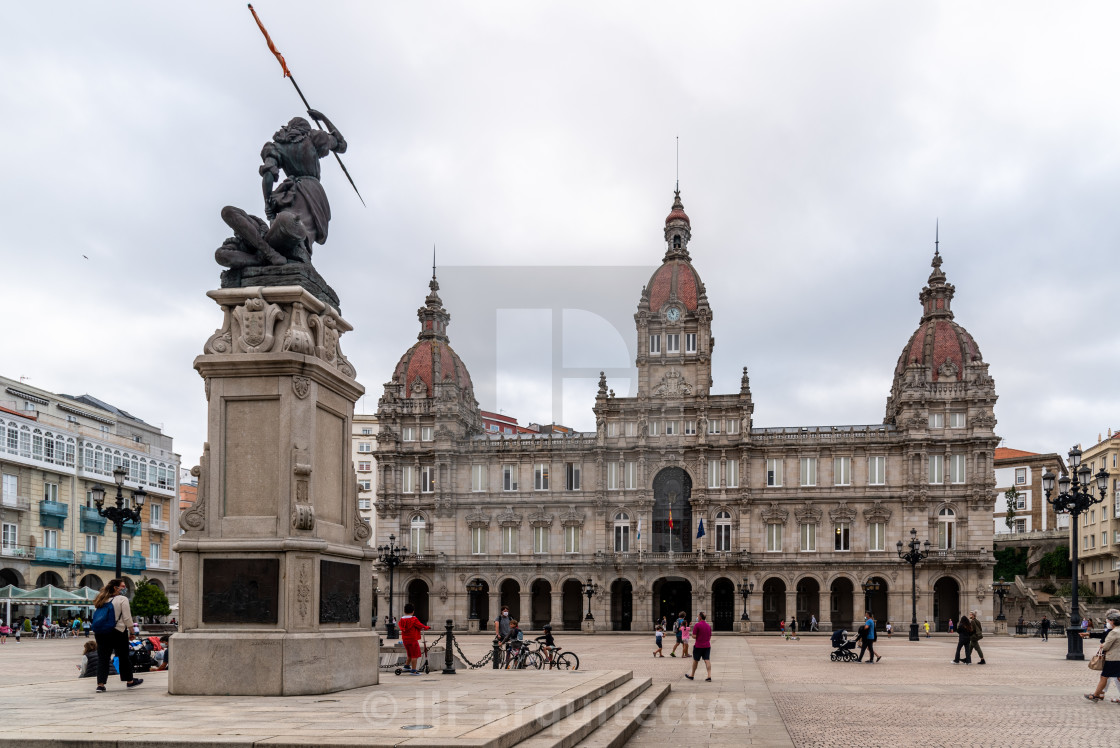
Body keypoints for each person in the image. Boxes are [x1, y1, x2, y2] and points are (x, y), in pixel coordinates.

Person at [91, 578, 143, 692]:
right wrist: (132, 632)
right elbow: (127, 618)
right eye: (123, 586)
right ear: (116, 588)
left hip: (100, 632)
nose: (125, 588)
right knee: (123, 656)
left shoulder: (101, 599)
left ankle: (100, 685)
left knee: (103, 658)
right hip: (117, 631)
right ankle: (130, 681)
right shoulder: (122, 599)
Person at [1083, 609, 1120, 702]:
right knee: (1117, 677)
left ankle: (1096, 695)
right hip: (1117, 658)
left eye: (1108, 620)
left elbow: (1106, 646)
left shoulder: (1114, 632)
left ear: (1112, 621)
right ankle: (1099, 694)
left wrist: (1102, 645)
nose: (1107, 622)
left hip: (1113, 658)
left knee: (1104, 676)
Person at [397, 602, 430, 674]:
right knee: (415, 654)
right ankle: (414, 670)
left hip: (405, 640)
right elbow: (420, 626)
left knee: (409, 654)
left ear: (404, 611)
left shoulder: (401, 620)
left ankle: (406, 666)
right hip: (412, 639)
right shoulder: (413, 619)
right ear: (413, 611)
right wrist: (427, 627)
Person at [684, 611, 713, 682]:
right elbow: (709, 636)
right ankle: (709, 676)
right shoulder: (708, 626)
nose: (697, 617)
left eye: (697, 616)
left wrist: (692, 635)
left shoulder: (697, 625)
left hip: (698, 646)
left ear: (700, 617)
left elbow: (694, 636)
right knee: (707, 660)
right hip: (707, 645)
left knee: (696, 660)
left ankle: (692, 675)